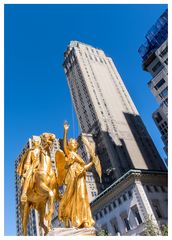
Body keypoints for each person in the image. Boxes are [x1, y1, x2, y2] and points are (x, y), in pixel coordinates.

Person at [58, 123, 95, 228]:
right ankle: (75, 220)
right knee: (73, 198)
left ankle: (85, 220)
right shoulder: (70, 154)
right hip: (72, 177)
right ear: (69, 146)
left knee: (83, 197)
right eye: (72, 143)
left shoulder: (78, 156)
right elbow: (64, 144)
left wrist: (92, 162)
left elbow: (83, 168)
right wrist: (65, 131)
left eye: (75, 143)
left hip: (81, 178)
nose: (73, 144)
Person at [17, 136, 43, 203]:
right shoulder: (31, 152)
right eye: (34, 141)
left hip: (42, 166)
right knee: (28, 176)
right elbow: (28, 161)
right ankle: (24, 193)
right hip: (33, 166)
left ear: (39, 142)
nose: (35, 143)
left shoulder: (43, 151)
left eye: (37, 141)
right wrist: (27, 168)